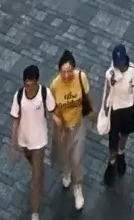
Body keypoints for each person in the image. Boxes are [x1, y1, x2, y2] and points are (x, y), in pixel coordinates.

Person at [9, 63, 55, 220]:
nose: (27, 86)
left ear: (36, 82)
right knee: (34, 165)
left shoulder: (44, 93)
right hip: (25, 140)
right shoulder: (19, 96)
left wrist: (60, 129)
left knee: (35, 178)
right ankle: (38, 172)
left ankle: (35, 212)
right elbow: (15, 119)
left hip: (39, 141)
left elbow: (53, 112)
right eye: (25, 83)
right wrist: (13, 143)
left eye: (30, 83)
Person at [48, 50, 89, 212]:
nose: (66, 75)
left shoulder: (81, 78)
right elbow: (52, 108)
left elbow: (86, 97)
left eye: (69, 71)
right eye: (63, 72)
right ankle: (66, 172)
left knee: (77, 158)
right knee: (64, 155)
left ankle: (77, 188)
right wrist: (57, 120)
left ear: (74, 69)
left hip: (77, 125)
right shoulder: (55, 85)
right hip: (61, 128)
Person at [99, 44, 134, 185]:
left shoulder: (132, 70)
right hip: (115, 110)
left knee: (124, 135)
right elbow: (108, 85)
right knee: (112, 140)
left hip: (128, 108)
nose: (120, 66)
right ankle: (111, 163)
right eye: (117, 63)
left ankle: (121, 154)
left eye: (121, 63)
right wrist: (113, 80)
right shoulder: (111, 73)